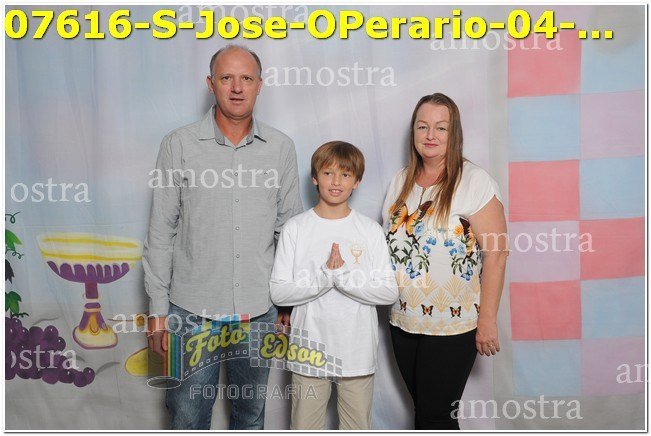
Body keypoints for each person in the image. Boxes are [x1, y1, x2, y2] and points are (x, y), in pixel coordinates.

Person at [142, 45, 303, 430]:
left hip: (258, 312)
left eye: (246, 78)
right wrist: (158, 312)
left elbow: (289, 231)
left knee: (250, 418)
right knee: (187, 418)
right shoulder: (178, 144)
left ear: (260, 85)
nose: (237, 87)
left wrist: (288, 302)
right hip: (189, 312)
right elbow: (161, 231)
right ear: (210, 83)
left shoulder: (281, 148)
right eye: (227, 77)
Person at [382, 93, 508, 430]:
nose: (430, 135)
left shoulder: (474, 181)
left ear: (454, 134)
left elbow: (497, 254)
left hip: (453, 324)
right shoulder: (400, 181)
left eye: (441, 128)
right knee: (425, 415)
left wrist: (488, 320)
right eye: (422, 126)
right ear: (413, 132)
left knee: (436, 416)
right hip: (403, 321)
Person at [269, 141, 399, 430]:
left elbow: (389, 291)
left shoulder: (370, 230)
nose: (336, 182)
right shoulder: (296, 228)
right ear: (315, 178)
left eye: (345, 174)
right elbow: (279, 291)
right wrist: (326, 275)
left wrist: (342, 277)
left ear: (357, 181)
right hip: (308, 351)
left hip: (356, 351)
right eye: (328, 173)